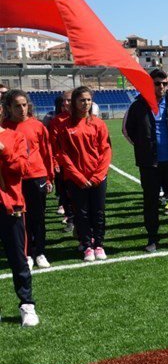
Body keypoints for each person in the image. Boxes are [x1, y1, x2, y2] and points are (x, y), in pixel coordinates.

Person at [122, 69, 168, 252]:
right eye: (157, 83)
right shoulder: (137, 106)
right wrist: (144, 148)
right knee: (151, 202)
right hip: (150, 164)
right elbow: (128, 131)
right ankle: (153, 239)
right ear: (149, 84)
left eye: (164, 83)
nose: (161, 87)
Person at [57, 86, 112, 262]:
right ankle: (87, 245)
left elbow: (106, 151)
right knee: (81, 213)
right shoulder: (66, 126)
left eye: (88, 100)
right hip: (76, 179)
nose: (86, 103)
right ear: (74, 103)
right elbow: (63, 155)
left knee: (98, 212)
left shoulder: (98, 124)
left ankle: (99, 244)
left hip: (97, 178)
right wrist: (78, 177)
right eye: (82, 100)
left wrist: (97, 176)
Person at [2, 90, 54, 269]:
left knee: (38, 217)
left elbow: (47, 153)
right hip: (14, 179)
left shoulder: (37, 126)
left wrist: (49, 178)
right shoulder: (4, 127)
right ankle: (26, 254)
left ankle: (39, 252)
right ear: (8, 107)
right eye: (17, 106)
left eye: (24, 105)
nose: (22, 109)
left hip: (36, 176)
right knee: (20, 219)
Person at [0, 106, 39, 326]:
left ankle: (27, 305)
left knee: (18, 258)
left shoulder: (14, 137)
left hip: (9, 206)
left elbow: (23, 167)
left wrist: (4, 150)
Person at [45, 90, 74, 232]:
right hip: (63, 165)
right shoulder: (57, 121)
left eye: (68, 100)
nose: (65, 103)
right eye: (63, 101)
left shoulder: (87, 119)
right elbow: (52, 144)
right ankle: (70, 219)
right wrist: (55, 163)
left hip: (82, 165)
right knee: (64, 193)